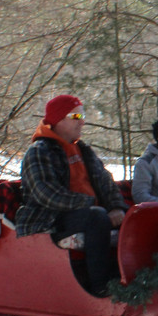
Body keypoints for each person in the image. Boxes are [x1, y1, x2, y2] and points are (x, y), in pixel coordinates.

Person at [15, 94, 127, 296]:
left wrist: (117, 208)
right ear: (58, 119)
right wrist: (91, 204)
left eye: (82, 116)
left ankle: (132, 278)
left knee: (133, 217)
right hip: (51, 218)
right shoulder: (39, 151)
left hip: (89, 214)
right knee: (97, 217)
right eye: (75, 116)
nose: (82, 121)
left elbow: (106, 182)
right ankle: (101, 285)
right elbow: (46, 194)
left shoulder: (84, 150)